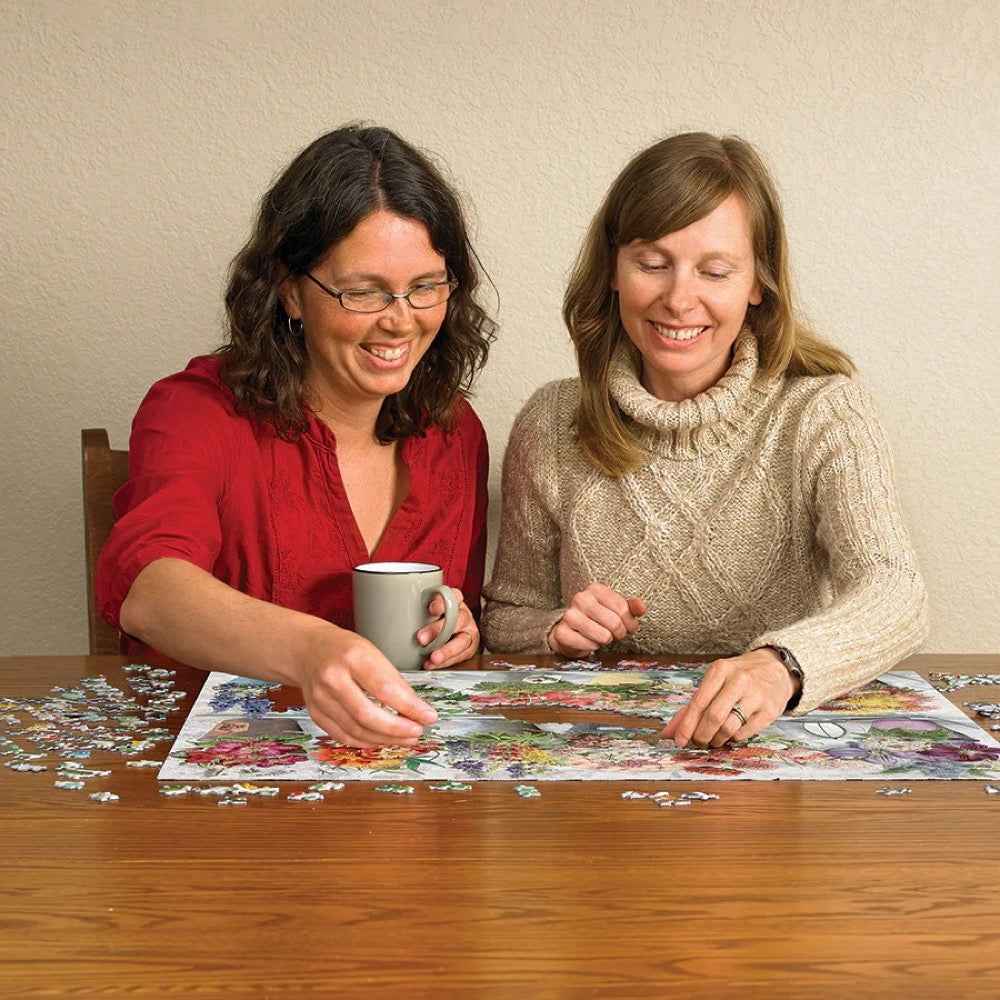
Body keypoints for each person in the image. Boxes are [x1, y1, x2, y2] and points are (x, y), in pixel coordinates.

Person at [482, 132, 929, 749]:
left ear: (757, 282)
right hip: (606, 751)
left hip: (775, 748)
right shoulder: (552, 420)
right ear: (613, 270)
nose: (678, 299)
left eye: (714, 271)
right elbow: (506, 617)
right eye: (652, 264)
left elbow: (896, 591)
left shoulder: (824, 411)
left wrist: (781, 665)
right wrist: (555, 629)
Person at [97, 124, 495, 748]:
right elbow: (150, 591)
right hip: (217, 777)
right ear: (289, 290)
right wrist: (311, 650)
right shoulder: (194, 412)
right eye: (362, 292)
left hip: (397, 774)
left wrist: (460, 631)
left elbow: (450, 638)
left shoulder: (456, 433)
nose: (400, 320)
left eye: (425, 287)